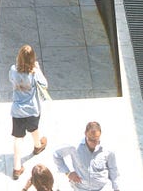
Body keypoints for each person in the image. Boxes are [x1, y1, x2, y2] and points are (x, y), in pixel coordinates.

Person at [9, 44, 48, 181]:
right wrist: (37, 69)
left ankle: (16, 167)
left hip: (18, 110)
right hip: (32, 109)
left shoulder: (13, 70)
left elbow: (11, 80)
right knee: (34, 128)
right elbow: (44, 84)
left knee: (18, 138)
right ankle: (37, 146)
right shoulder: (34, 72)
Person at [53, 121, 120, 190]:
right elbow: (56, 155)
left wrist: (117, 189)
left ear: (100, 135)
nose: (93, 143)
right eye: (91, 139)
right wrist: (68, 173)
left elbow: (114, 171)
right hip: (80, 188)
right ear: (85, 133)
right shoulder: (74, 147)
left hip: (102, 188)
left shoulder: (108, 150)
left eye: (96, 139)